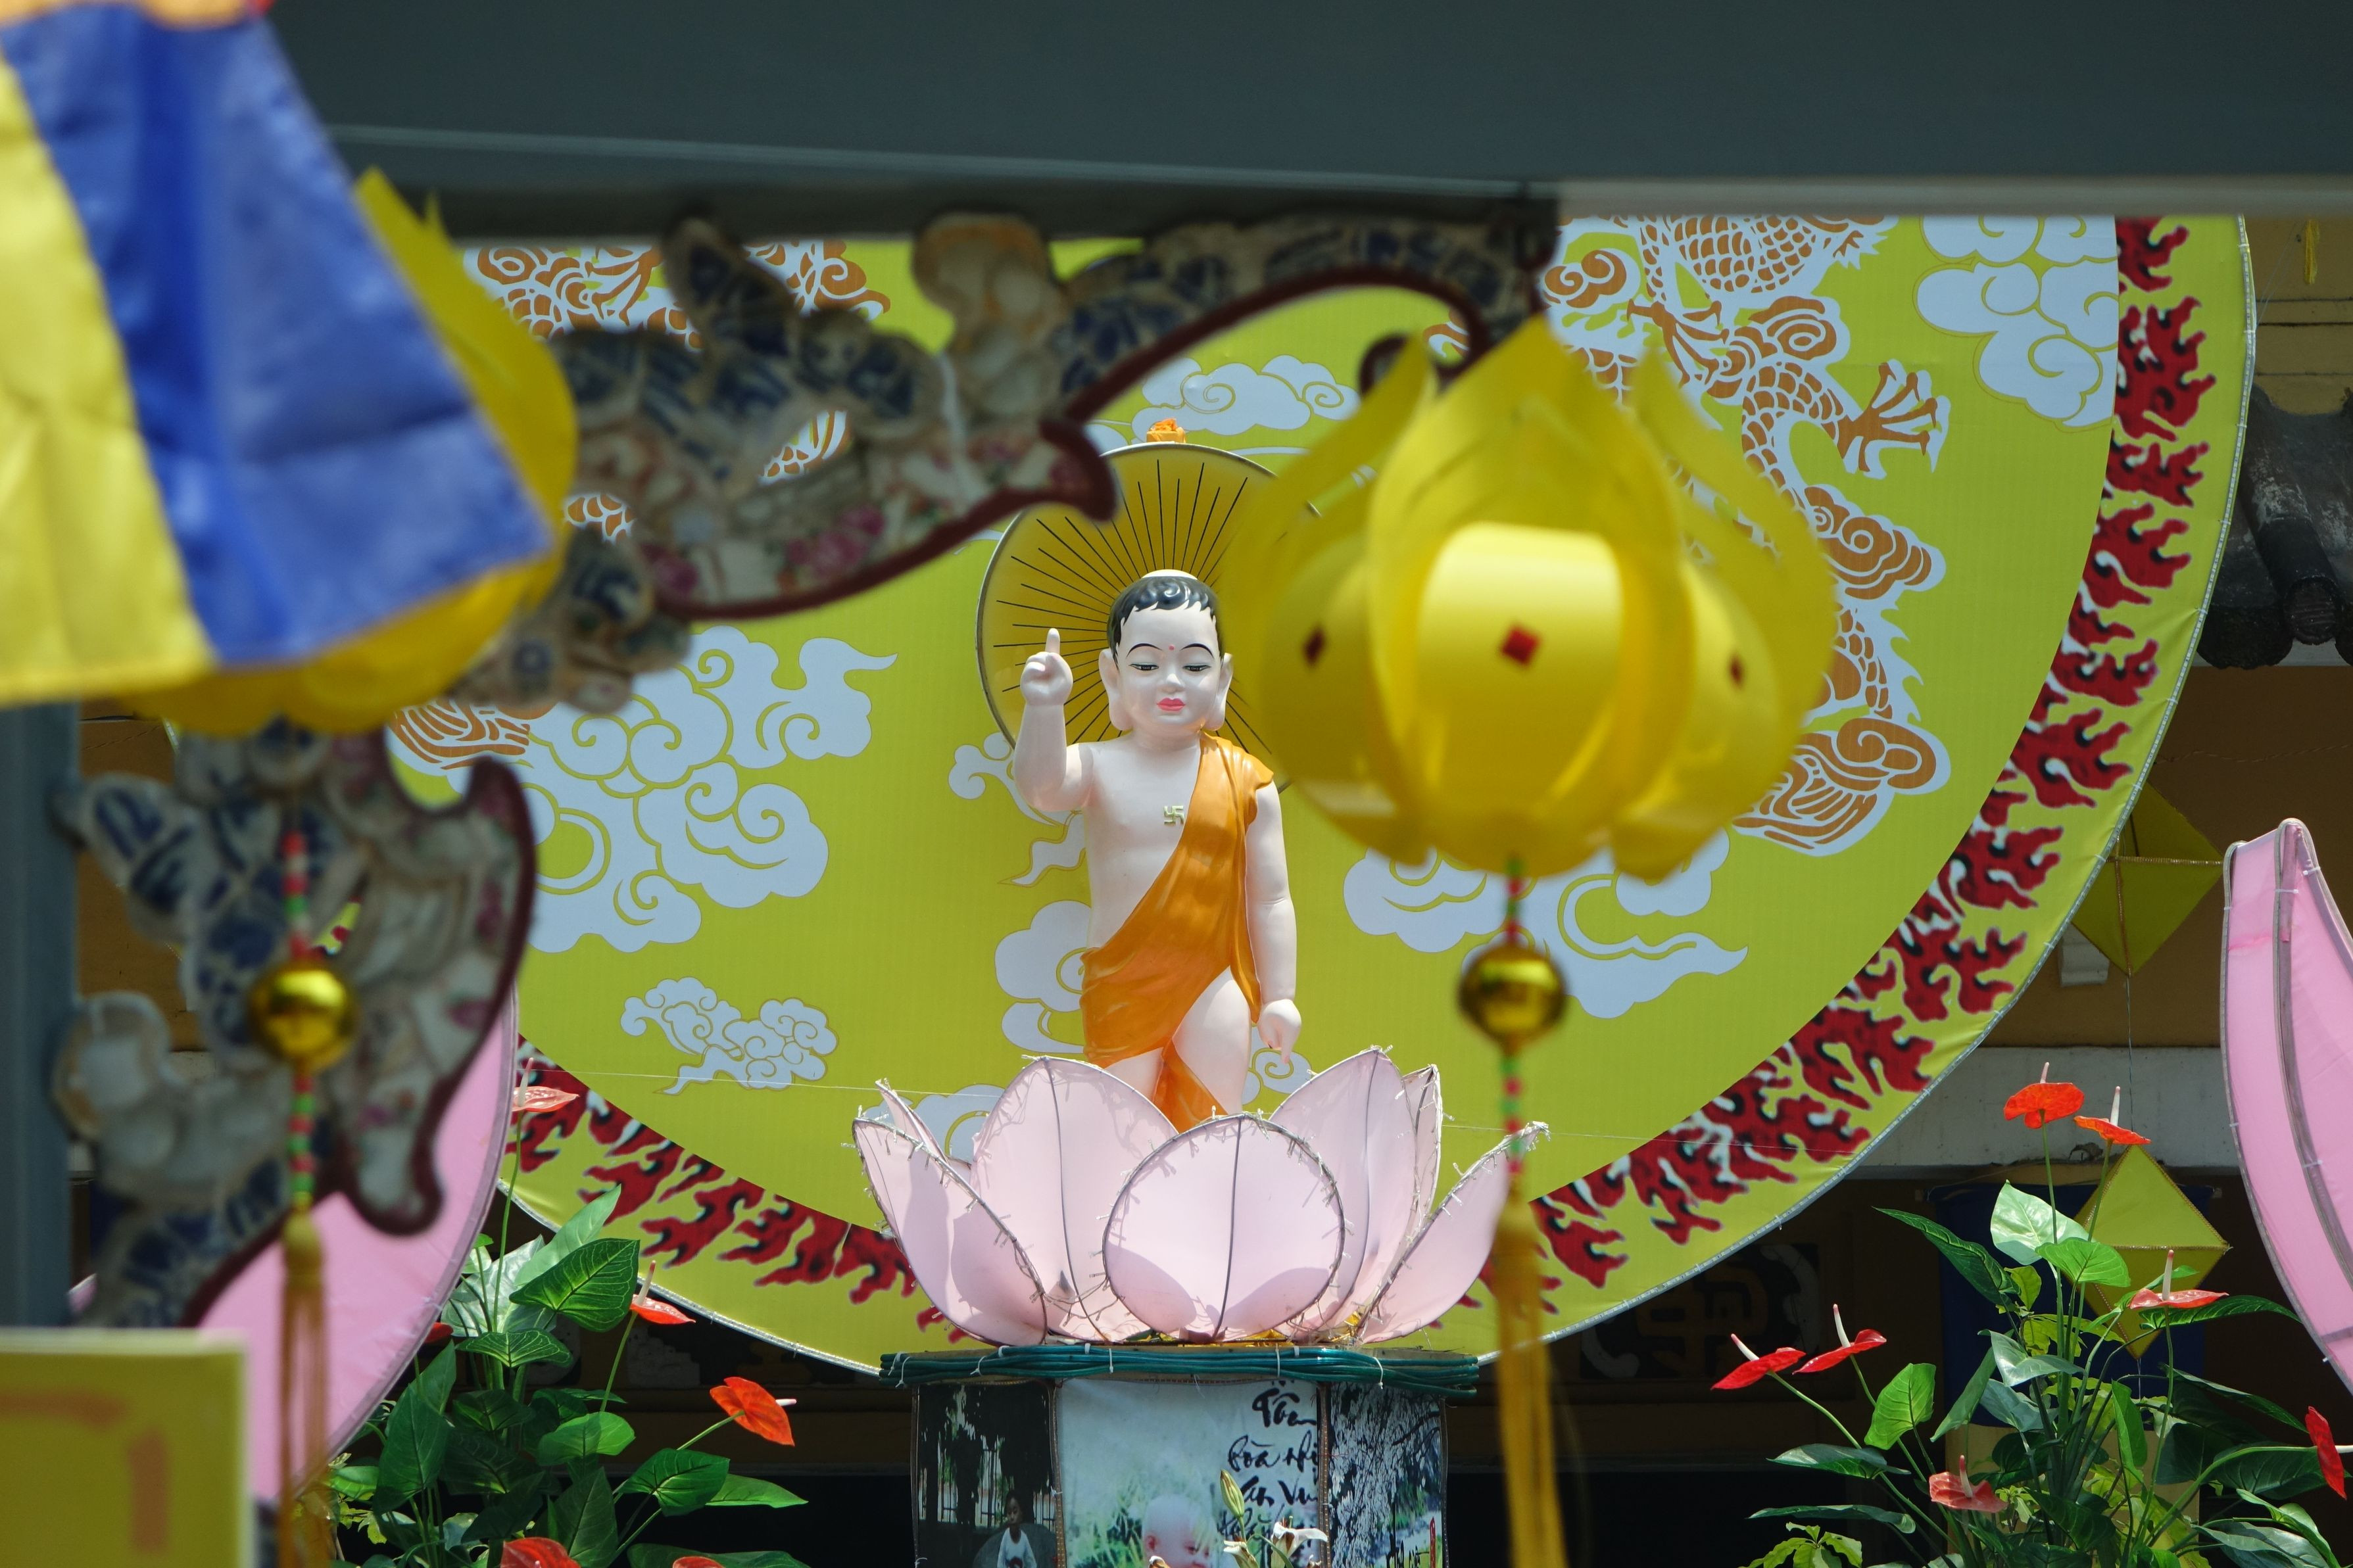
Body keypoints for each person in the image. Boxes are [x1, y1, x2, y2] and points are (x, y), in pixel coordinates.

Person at [1011, 570, 1301, 1128]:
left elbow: (1270, 899)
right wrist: (1045, 707)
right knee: (1121, 1123)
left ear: (1222, 677)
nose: (1172, 682)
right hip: (1122, 979)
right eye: (1146, 666)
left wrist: (1280, 995)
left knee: (1213, 1119)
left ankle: (1210, 1186)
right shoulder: (1099, 766)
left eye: (1194, 666)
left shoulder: (1248, 782)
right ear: (1112, 675)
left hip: (1213, 979)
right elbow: (1042, 788)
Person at [973, 1494, 1054, 1568]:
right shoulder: (1004, 1538)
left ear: (1021, 1514)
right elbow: (1000, 1562)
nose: (1012, 1517)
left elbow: (1031, 1562)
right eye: (1009, 1513)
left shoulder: (1026, 1538)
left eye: (1015, 1512)